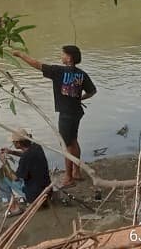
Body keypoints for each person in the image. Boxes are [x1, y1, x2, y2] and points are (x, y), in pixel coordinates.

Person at [9, 45, 97, 188]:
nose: (60, 57)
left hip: (66, 115)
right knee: (73, 141)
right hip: (77, 112)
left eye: (63, 55)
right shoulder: (82, 74)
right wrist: (80, 99)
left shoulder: (58, 71)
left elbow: (37, 64)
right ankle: (77, 172)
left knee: (66, 145)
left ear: (69, 58)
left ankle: (68, 178)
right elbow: (92, 91)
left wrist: (20, 54)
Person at [0, 129, 51, 216]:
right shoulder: (37, 146)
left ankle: (12, 206)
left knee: (3, 177)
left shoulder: (25, 158)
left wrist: (4, 162)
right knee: (24, 176)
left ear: (18, 143)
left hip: (35, 196)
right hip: (47, 190)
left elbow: (15, 178)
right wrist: (11, 152)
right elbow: (26, 153)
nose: (13, 143)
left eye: (14, 142)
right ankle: (12, 202)